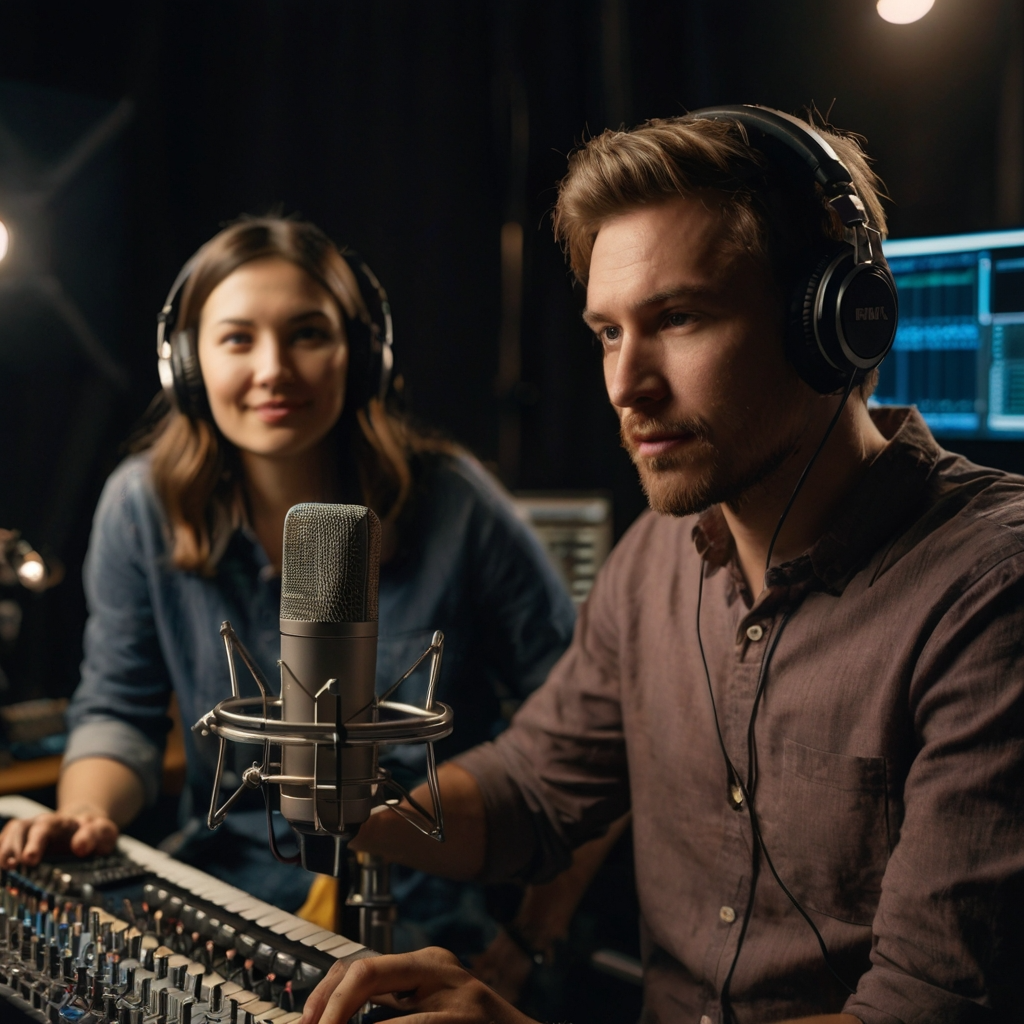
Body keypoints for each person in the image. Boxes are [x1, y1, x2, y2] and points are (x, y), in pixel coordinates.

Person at [298, 109, 1024, 1024]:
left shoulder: (994, 593)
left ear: (834, 321)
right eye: (608, 332)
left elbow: (924, 1012)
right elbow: (531, 790)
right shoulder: (655, 558)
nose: (625, 385)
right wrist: (341, 796)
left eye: (678, 318)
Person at [0, 217, 577, 950]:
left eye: (308, 334)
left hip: (431, 907)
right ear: (186, 363)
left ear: (363, 356)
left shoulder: (455, 503)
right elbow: (118, 707)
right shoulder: (141, 506)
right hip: (231, 893)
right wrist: (84, 818)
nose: (273, 369)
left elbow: (580, 732)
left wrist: (532, 937)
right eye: (237, 339)